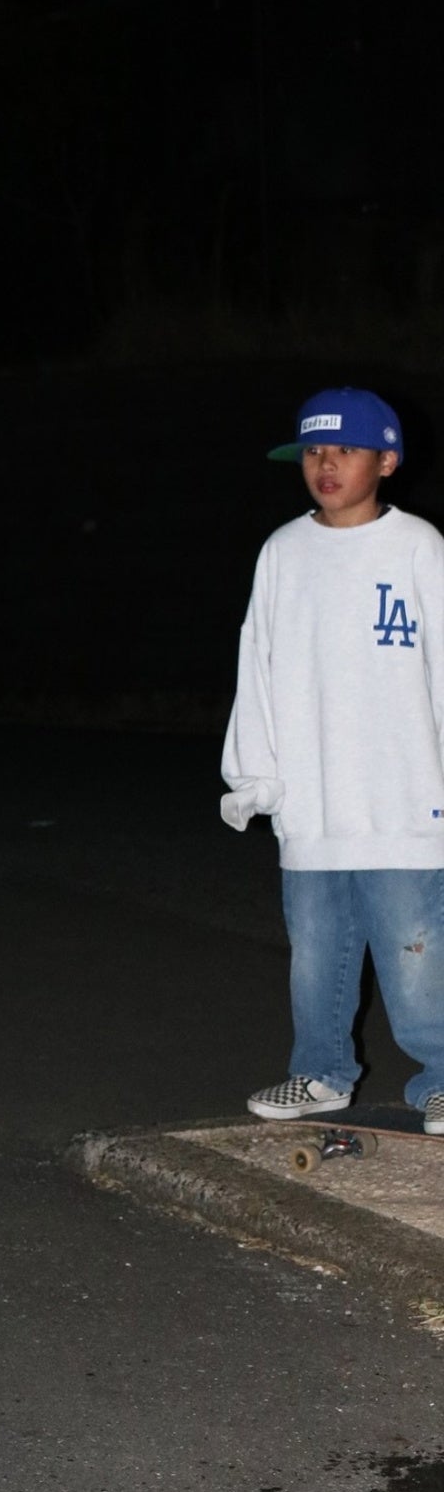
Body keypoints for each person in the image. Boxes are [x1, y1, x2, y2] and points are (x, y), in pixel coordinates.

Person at [221, 387, 444, 1129]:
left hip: (405, 797)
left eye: (346, 449)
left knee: (415, 955)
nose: (326, 464)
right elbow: (257, 663)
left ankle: (441, 1075)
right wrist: (256, 776)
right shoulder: (283, 552)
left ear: (387, 461)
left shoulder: (418, 547)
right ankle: (320, 1072)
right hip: (312, 797)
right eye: (314, 450)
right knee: (316, 953)